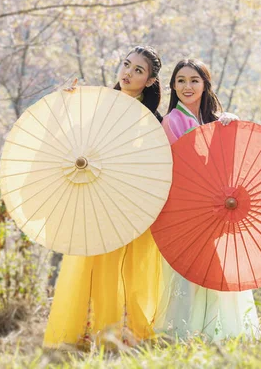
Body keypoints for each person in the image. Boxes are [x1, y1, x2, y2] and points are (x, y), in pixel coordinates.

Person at [43, 46, 166, 349]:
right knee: (90, 265)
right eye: (127, 65)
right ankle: (87, 334)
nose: (128, 73)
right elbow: (72, 141)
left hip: (131, 205)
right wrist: (64, 103)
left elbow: (155, 165)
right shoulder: (99, 106)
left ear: (149, 81)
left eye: (138, 70)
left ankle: (120, 335)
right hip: (96, 199)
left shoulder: (152, 120)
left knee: (123, 270)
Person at [157, 58, 261, 341]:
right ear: (173, 86)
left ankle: (220, 331)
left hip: (218, 208)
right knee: (191, 274)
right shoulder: (172, 121)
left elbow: (228, 162)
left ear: (205, 84)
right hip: (189, 209)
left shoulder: (217, 120)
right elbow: (182, 166)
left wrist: (229, 126)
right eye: (180, 81)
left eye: (194, 80)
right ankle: (185, 334)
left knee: (219, 272)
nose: (187, 86)